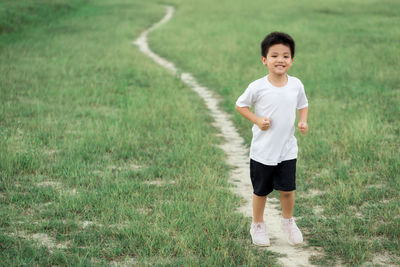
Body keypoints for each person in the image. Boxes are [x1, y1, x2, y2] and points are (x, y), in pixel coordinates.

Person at [235, 32, 309, 246]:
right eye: (274, 55)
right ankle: (257, 225)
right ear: (264, 60)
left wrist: (303, 121)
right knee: (261, 191)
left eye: (286, 56)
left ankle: (288, 221)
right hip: (263, 150)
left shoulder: (296, 84)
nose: (280, 60)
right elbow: (240, 105)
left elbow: (303, 104)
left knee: (288, 189)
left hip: (287, 149)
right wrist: (257, 120)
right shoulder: (257, 86)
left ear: (292, 61)